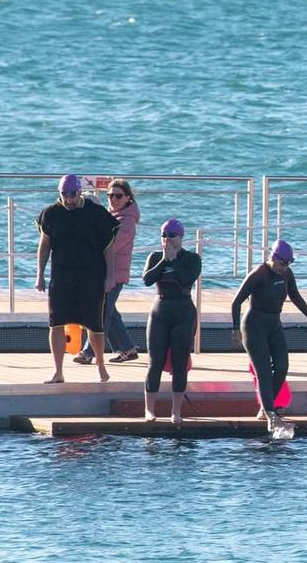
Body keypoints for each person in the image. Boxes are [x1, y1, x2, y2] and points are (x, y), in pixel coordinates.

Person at [35, 173, 119, 385]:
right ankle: (58, 371)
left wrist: (110, 277)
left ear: (79, 193)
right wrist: (40, 274)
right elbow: (44, 245)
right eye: (64, 195)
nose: (69, 199)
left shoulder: (96, 213)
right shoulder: (51, 214)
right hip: (61, 275)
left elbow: (109, 249)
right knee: (56, 323)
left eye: (72, 194)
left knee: (94, 325)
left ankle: (100, 364)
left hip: (91, 276)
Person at [232, 239, 307, 435]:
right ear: (272, 258)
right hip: (253, 326)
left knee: (282, 366)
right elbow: (236, 302)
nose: (285, 268)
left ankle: (267, 408)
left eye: (289, 264)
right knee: (263, 371)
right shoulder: (259, 274)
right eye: (282, 264)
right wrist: (235, 329)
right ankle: (271, 417)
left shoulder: (287, 274)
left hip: (274, 325)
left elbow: (296, 296)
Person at [139, 219, 203, 424]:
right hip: (160, 311)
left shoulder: (192, 258)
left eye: (172, 236)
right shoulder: (155, 256)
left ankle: (176, 411)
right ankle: (149, 410)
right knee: (154, 362)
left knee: (179, 362)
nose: (167, 239)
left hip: (183, 312)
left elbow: (187, 279)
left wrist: (174, 260)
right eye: (164, 236)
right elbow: (147, 279)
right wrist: (164, 261)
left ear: (181, 237)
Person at [86, 178, 142, 365]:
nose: (113, 199)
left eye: (118, 196)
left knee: (101, 312)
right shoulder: (110, 217)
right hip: (103, 273)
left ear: (128, 198)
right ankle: (127, 348)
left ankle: (89, 351)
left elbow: (111, 246)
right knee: (110, 311)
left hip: (115, 274)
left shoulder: (126, 222)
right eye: (110, 195)